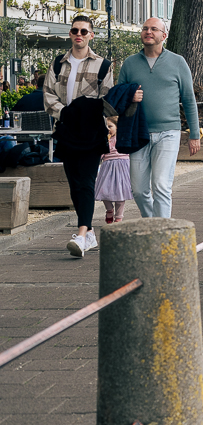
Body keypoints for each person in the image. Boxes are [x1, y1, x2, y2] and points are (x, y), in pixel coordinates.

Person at [43, 15, 115, 257]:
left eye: (84, 31)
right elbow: (48, 95)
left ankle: (82, 233)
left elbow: (108, 99)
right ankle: (90, 233)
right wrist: (66, 113)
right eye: (75, 30)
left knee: (86, 181)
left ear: (91, 35)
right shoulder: (57, 64)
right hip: (66, 129)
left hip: (92, 131)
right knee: (74, 184)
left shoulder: (103, 65)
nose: (79, 35)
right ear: (70, 34)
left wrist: (108, 122)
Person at [118, 18, 201, 219]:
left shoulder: (178, 62)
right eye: (145, 28)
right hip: (138, 133)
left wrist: (194, 134)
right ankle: (152, 223)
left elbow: (189, 99)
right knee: (138, 190)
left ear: (163, 36)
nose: (148, 31)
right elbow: (118, 97)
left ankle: (162, 236)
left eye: (154, 29)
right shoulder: (129, 63)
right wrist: (129, 96)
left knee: (162, 185)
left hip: (168, 132)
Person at [96, 118, 132, 224]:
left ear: (117, 127)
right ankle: (109, 210)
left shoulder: (121, 138)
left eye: (110, 126)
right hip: (107, 166)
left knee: (121, 193)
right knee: (103, 190)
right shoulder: (102, 139)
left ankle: (119, 217)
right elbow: (99, 154)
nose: (108, 129)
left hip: (122, 166)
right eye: (105, 127)